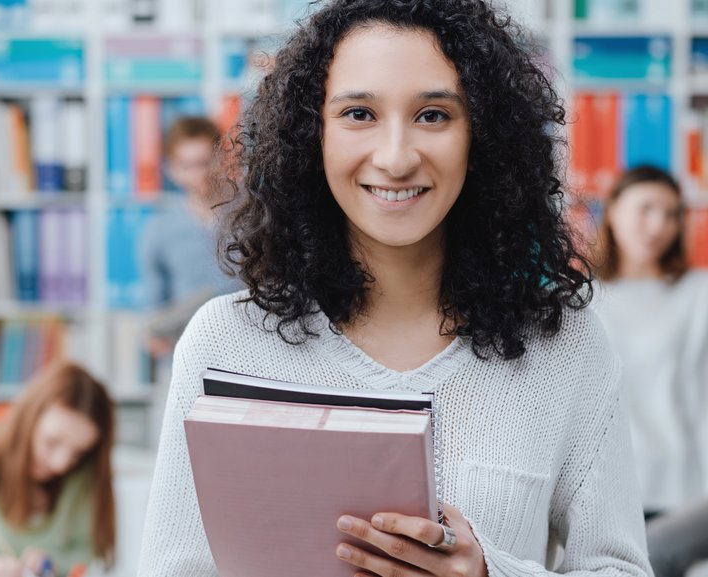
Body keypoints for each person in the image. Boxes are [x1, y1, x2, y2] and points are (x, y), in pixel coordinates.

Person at [138, 1, 652, 576]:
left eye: (433, 115)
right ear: (314, 135)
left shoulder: (565, 346)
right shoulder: (224, 343)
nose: (396, 157)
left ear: (481, 137)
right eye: (359, 113)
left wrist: (488, 575)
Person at [592, 166, 708, 577]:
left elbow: (702, 399)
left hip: (684, 488)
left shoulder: (698, 294)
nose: (658, 225)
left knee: (653, 556)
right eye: (646, 209)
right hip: (604, 493)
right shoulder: (579, 300)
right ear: (613, 212)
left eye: (671, 214)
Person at [0, 361, 116, 577]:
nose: (60, 464)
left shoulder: (82, 473)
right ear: (27, 420)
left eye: (78, 453)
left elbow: (89, 553)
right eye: (51, 442)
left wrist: (53, 562)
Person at [139, 116, 241, 361]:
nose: (199, 174)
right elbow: (154, 303)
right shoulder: (159, 228)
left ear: (223, 157)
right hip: (188, 354)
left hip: (247, 350)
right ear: (171, 170)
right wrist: (153, 337)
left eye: (205, 162)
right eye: (187, 166)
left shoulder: (255, 215)